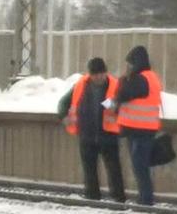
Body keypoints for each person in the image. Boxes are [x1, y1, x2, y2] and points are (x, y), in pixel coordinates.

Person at [57, 57, 125, 202]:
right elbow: (63, 103)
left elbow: (124, 106)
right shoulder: (80, 85)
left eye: (102, 73)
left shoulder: (115, 85)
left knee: (114, 170)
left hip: (108, 135)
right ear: (90, 74)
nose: (99, 77)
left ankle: (118, 198)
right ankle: (92, 198)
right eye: (96, 74)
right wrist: (64, 117)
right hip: (87, 135)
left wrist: (117, 107)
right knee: (89, 170)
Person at [105, 45, 162, 205]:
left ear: (136, 63)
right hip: (140, 129)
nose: (127, 67)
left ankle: (146, 200)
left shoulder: (141, 79)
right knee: (140, 167)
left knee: (140, 167)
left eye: (129, 63)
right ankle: (144, 198)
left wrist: (121, 82)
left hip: (141, 130)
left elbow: (123, 94)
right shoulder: (150, 77)